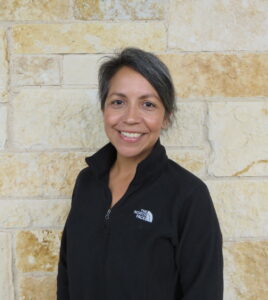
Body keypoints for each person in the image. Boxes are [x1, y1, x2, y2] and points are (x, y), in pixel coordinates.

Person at [57, 47, 223, 300]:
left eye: (148, 104)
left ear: (166, 117)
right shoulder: (87, 182)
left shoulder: (188, 195)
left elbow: (204, 293)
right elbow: (67, 274)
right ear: (104, 109)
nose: (131, 118)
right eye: (118, 102)